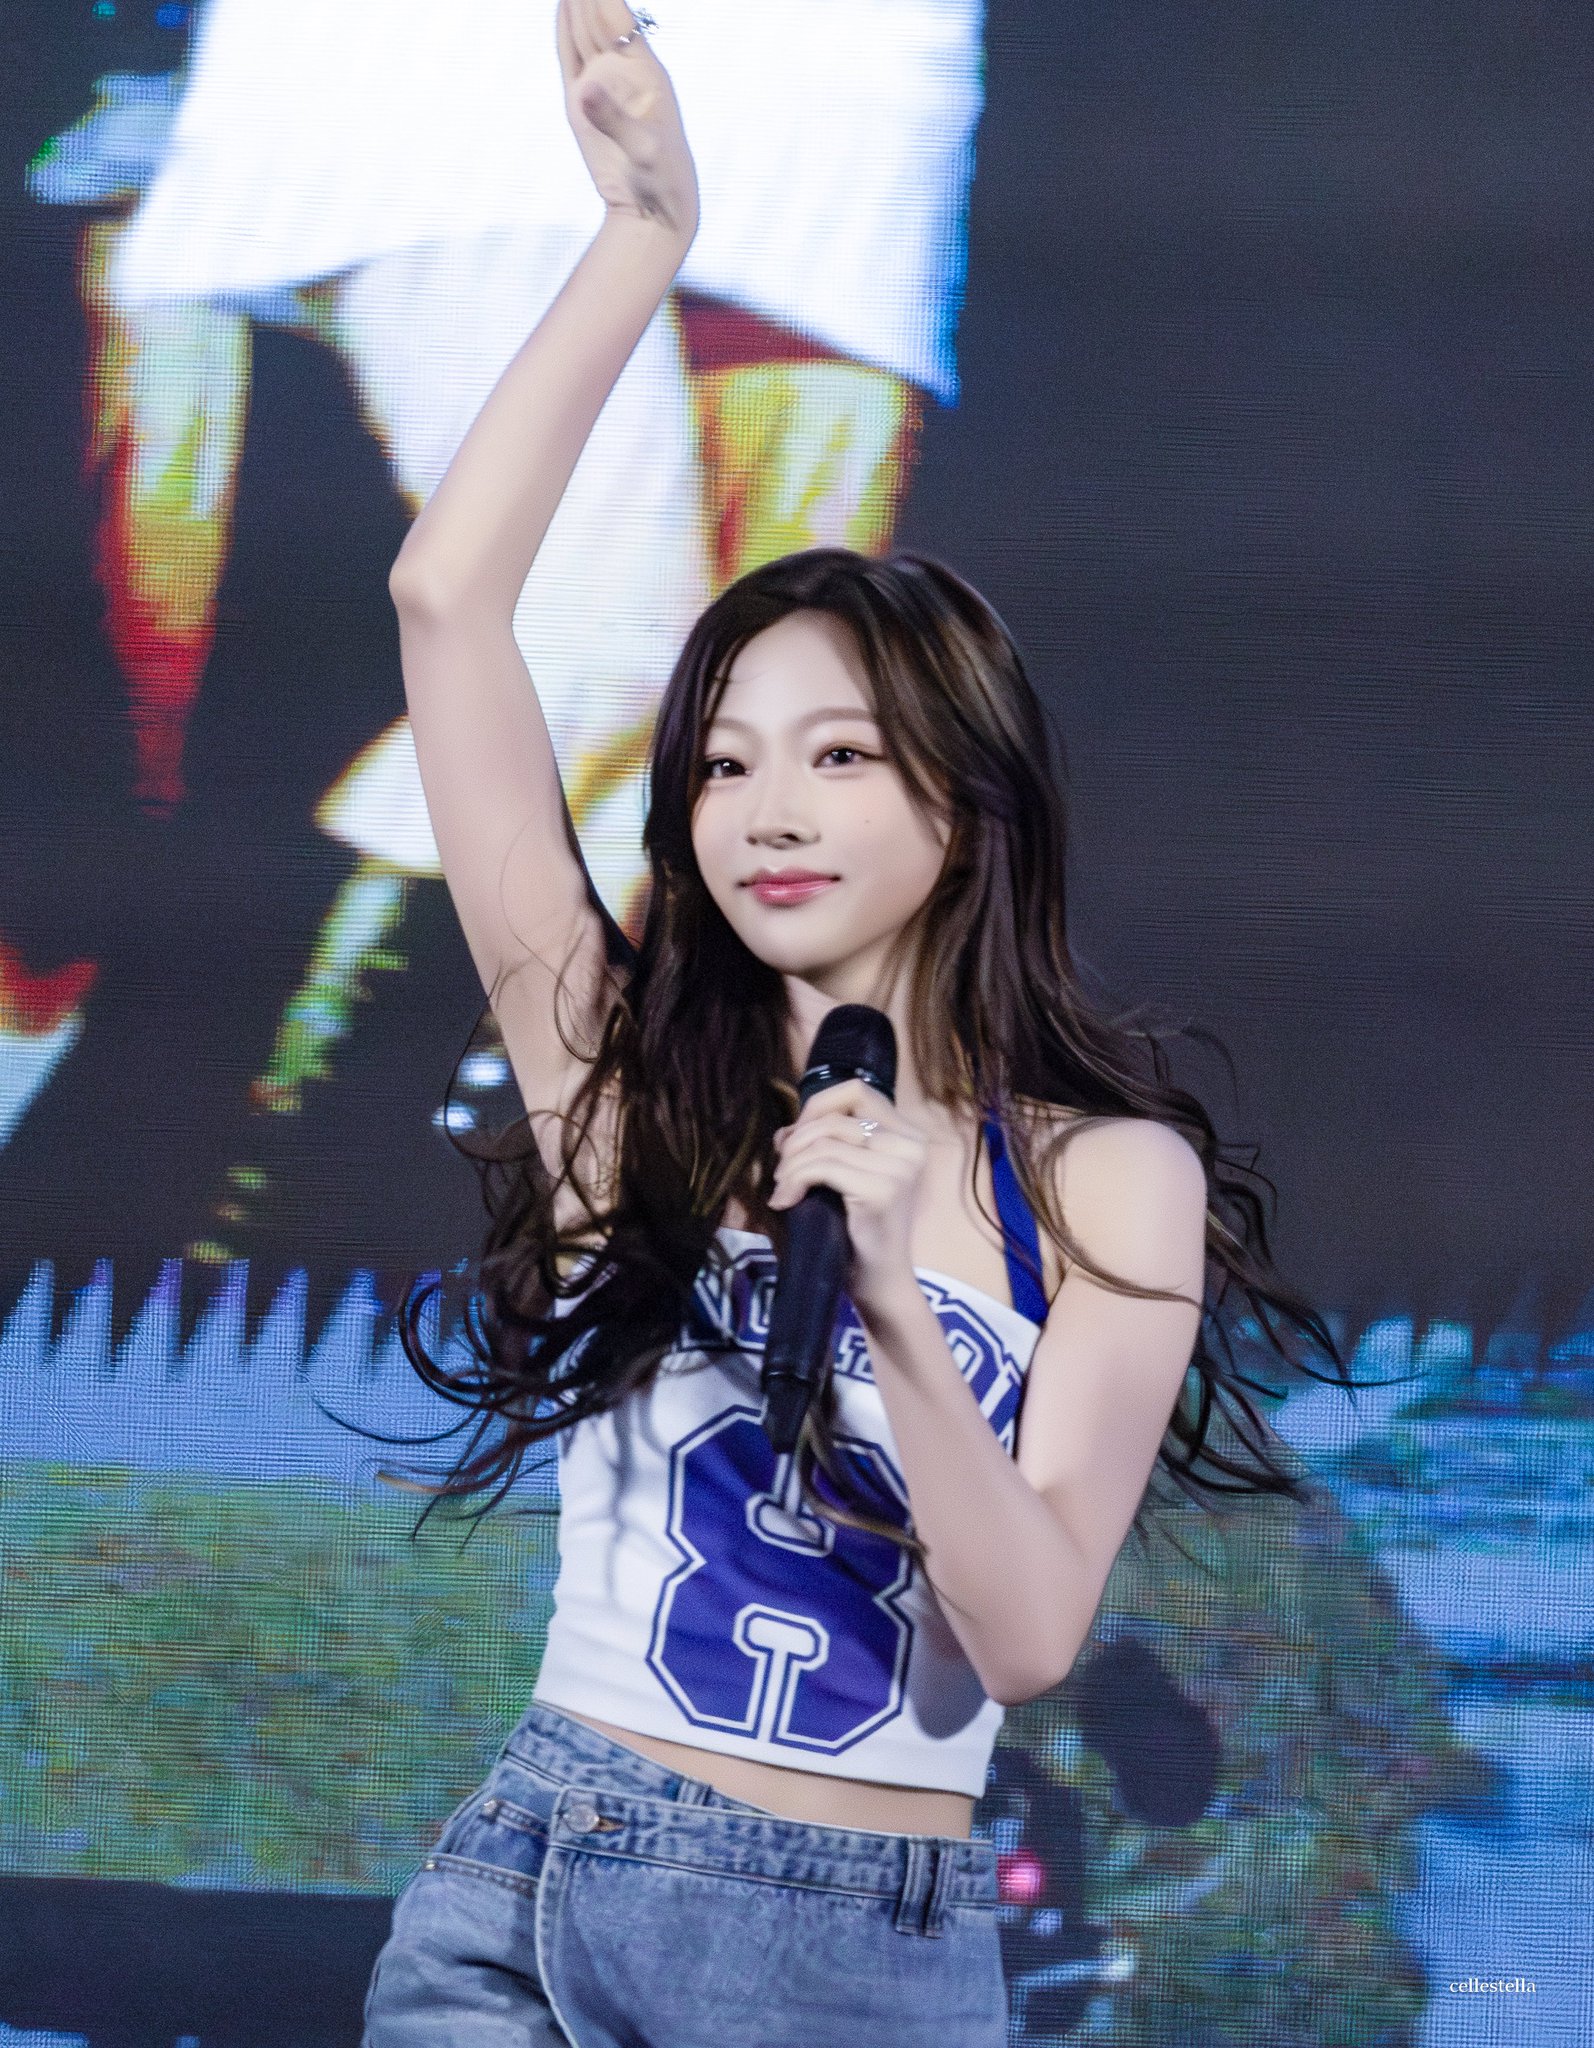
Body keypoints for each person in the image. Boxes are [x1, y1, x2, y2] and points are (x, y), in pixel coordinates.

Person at [363, 4, 1348, 2041]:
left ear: (958, 805)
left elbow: (1031, 1629)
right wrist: (643, 238)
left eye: (835, 756)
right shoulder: (622, 1085)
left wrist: (894, 1298)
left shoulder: (1110, 1181)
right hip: (539, 1882)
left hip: (858, 1952)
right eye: (724, 766)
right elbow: (445, 605)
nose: (769, 812)